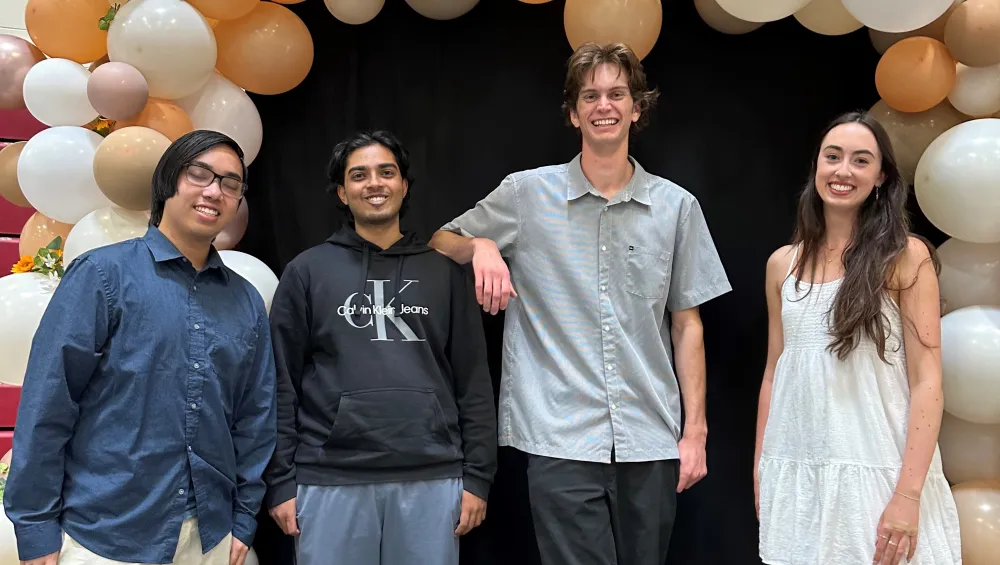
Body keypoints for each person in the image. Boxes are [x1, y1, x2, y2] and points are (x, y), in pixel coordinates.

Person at [429, 42, 731, 565]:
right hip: (559, 436)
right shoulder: (526, 194)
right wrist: (480, 246)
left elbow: (688, 325)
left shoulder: (677, 206)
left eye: (617, 94)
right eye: (590, 96)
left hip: (650, 435)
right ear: (573, 113)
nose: (603, 105)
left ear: (637, 108)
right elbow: (439, 241)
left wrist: (695, 433)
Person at [3, 130, 278, 565]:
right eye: (200, 174)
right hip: (104, 535)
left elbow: (255, 416)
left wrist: (244, 517)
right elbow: (49, 404)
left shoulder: (245, 300)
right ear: (167, 181)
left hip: (210, 537)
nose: (214, 191)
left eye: (231, 183)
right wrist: (36, 529)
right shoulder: (101, 275)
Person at [263, 130, 497, 565]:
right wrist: (280, 482)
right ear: (342, 192)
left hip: (433, 477)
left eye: (386, 172)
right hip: (329, 480)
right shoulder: (306, 271)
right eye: (359, 175)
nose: (374, 183)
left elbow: (473, 382)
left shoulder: (445, 274)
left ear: (404, 185)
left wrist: (478, 477)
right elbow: (280, 383)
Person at [753, 111, 963, 565]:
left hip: (881, 475)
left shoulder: (905, 257)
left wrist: (908, 495)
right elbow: (775, 372)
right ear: (817, 165)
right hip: (799, 473)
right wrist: (761, 468)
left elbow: (927, 381)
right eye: (833, 156)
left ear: (881, 176)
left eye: (860, 160)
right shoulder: (781, 265)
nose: (843, 170)